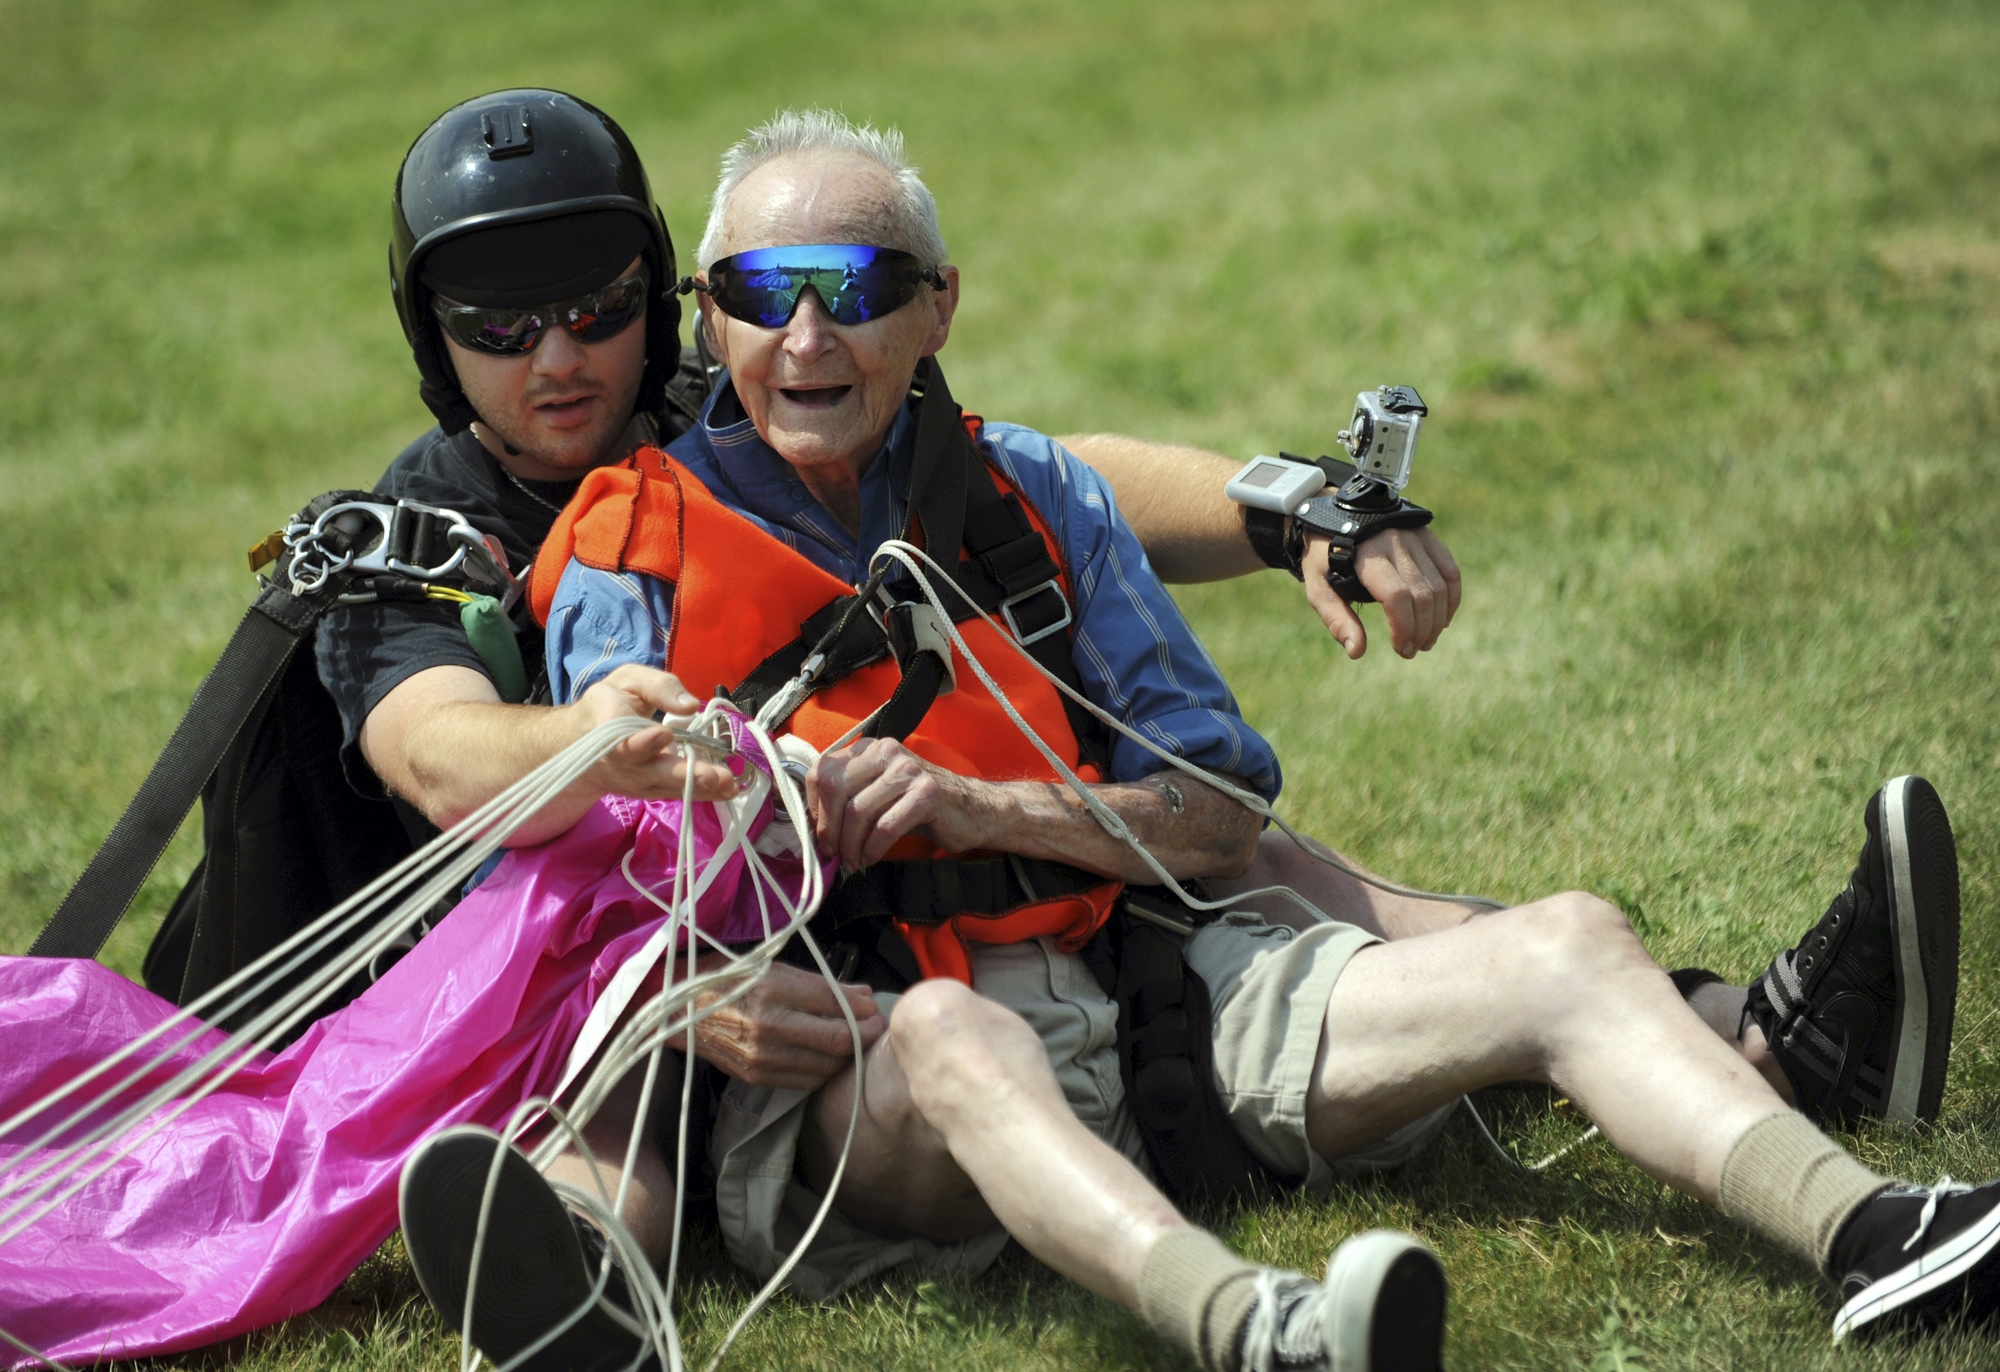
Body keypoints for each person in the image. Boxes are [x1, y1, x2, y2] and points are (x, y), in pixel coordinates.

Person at [394, 109, 1991, 1372]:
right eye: (763, 297)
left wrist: (982, 807)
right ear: (711, 320)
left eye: (859, 290)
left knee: (1566, 940)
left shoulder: (1032, 495)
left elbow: (1222, 817)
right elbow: (602, 865)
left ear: (940, 305)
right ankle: (1257, 1325)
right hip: (869, 1071)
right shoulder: (630, 544)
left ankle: (1880, 1234)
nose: (808, 340)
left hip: (1151, 994)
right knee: (959, 1036)